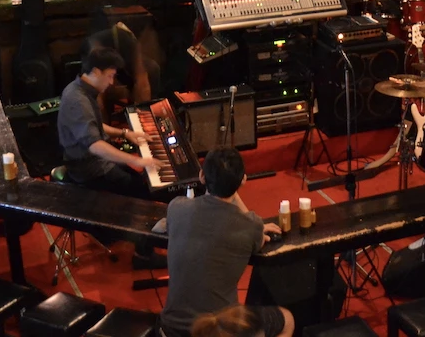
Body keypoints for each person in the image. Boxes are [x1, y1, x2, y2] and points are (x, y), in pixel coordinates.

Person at [161, 147, 292, 337]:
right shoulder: (251, 225)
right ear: (243, 180)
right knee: (286, 318)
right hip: (218, 331)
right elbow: (248, 225)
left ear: (202, 177)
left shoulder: (176, 207)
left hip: (169, 329)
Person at [56, 47, 162, 198]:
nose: (112, 82)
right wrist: (137, 161)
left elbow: (95, 126)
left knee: (139, 178)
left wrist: (125, 133)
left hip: (96, 161)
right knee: (141, 188)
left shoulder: (79, 88)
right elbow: (95, 146)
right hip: (89, 169)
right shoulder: (78, 101)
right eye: (110, 76)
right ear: (96, 72)